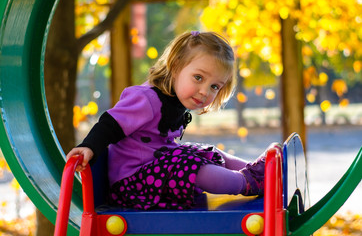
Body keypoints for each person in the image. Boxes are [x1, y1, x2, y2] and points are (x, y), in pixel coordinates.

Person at [67, 31, 273, 210]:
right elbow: (110, 123)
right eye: (199, 78)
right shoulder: (146, 99)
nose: (204, 92)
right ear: (175, 67)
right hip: (132, 185)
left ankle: (259, 171)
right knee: (193, 168)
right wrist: (89, 146)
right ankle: (246, 182)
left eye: (214, 87)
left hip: (155, 172)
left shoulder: (176, 100)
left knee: (205, 151)